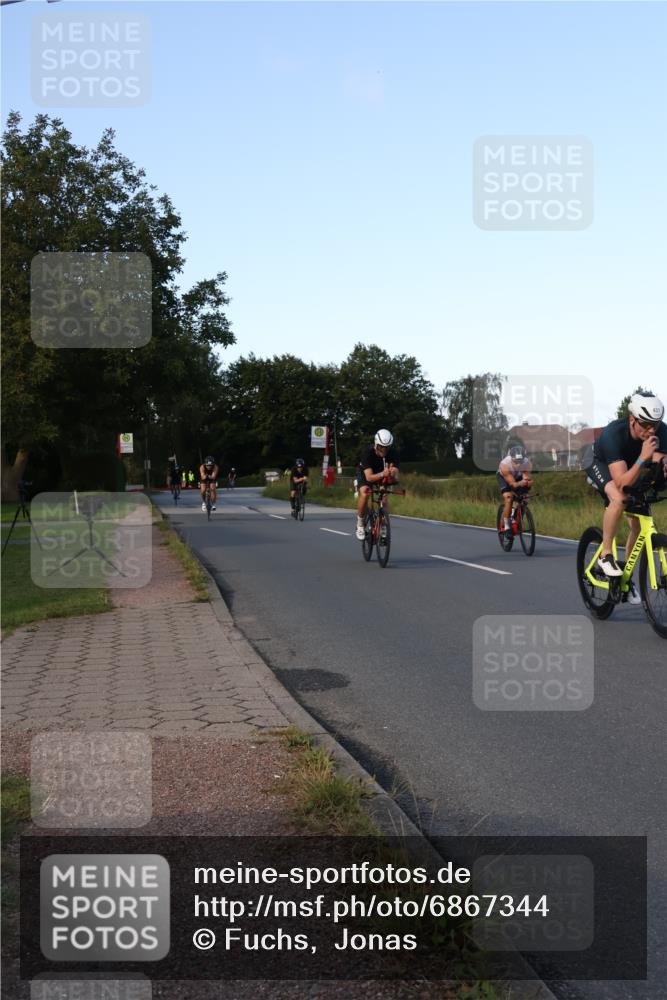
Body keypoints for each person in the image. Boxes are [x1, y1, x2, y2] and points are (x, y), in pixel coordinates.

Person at [585, 392, 667, 600]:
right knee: (620, 498)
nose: (651, 431)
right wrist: (643, 458)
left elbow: (658, 466)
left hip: (631, 466)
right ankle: (606, 554)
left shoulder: (661, 430)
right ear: (632, 419)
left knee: (638, 526)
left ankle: (625, 578)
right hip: (599, 462)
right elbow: (622, 483)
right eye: (645, 425)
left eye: (655, 425)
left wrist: (662, 467)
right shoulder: (614, 434)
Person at [355, 429, 400, 540]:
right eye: (381, 447)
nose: (384, 450)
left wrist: (393, 474)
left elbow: (395, 476)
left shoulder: (393, 453)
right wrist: (382, 474)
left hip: (382, 474)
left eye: (387, 447)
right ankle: (360, 523)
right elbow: (369, 477)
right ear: (376, 444)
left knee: (384, 499)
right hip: (366, 473)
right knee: (365, 493)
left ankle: (383, 525)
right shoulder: (367, 452)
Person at [497, 445, 533, 538]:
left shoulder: (527, 463)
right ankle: (507, 527)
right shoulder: (504, 464)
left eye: (520, 462)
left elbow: (526, 477)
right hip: (505, 478)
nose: (518, 465)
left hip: (517, 477)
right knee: (509, 498)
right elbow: (512, 484)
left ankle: (517, 518)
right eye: (516, 462)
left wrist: (528, 482)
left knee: (525, 499)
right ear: (511, 458)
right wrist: (521, 483)